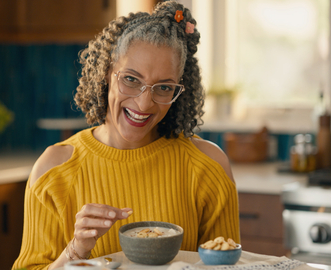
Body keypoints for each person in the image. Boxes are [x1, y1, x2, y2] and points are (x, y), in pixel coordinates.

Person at [13, 1, 240, 269]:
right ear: (107, 72)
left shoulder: (209, 166)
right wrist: (77, 250)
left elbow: (227, 265)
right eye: (131, 79)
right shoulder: (53, 170)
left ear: (179, 91)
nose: (144, 104)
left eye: (164, 87)